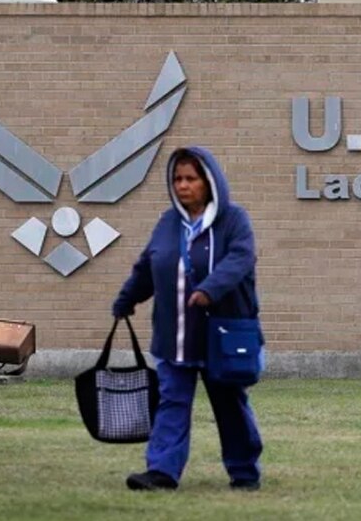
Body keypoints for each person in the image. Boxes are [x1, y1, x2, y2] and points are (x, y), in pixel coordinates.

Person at [111, 146, 264, 492]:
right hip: (174, 335)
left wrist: (211, 288)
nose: (182, 185)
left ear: (209, 182)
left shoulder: (234, 220)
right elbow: (148, 265)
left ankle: (244, 471)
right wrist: (127, 298)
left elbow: (241, 259)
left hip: (221, 337)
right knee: (172, 403)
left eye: (190, 178)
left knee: (231, 407)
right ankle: (162, 471)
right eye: (177, 179)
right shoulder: (168, 223)